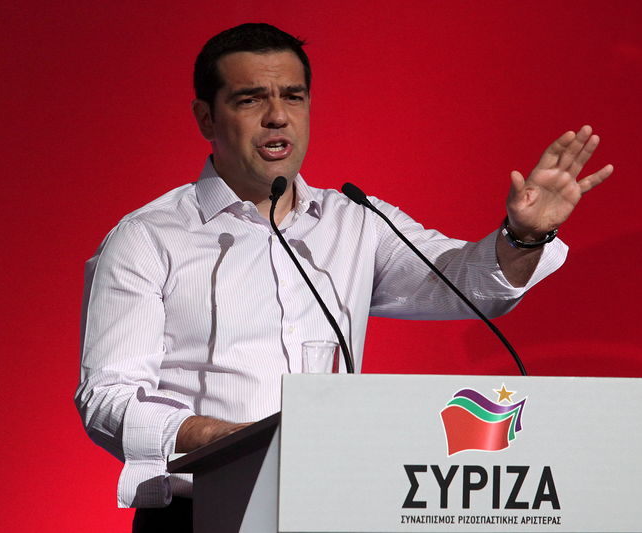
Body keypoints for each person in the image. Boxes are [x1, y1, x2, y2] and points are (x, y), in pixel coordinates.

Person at [75, 22, 613, 531]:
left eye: (293, 96)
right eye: (250, 99)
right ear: (206, 119)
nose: (277, 117)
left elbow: (470, 287)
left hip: (330, 510)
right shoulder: (147, 238)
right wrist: (240, 444)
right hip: (202, 516)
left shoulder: (357, 221)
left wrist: (523, 235)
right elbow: (109, 399)